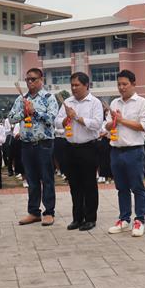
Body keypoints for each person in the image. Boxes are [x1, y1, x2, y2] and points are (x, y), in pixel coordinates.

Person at [106, 70, 145, 237]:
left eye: (125, 84)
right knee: (122, 188)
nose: (121, 87)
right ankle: (124, 219)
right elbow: (106, 127)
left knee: (137, 187)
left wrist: (121, 121)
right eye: (119, 84)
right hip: (116, 150)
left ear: (134, 84)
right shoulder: (114, 103)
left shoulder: (142, 103)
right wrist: (112, 122)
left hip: (134, 150)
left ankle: (139, 220)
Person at [9, 68, 59, 226]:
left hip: (44, 143)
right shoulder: (21, 99)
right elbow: (11, 118)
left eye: (33, 79)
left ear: (41, 79)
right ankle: (33, 212)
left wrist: (34, 112)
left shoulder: (48, 98)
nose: (30, 82)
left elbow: (52, 119)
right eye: (28, 79)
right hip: (26, 144)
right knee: (31, 179)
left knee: (47, 178)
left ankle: (49, 212)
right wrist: (24, 113)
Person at [55, 72, 103, 231]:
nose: (74, 88)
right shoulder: (67, 102)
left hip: (88, 147)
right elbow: (57, 122)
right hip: (70, 148)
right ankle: (77, 217)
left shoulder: (94, 102)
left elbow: (96, 124)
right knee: (74, 185)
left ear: (86, 85)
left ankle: (90, 218)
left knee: (89, 184)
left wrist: (76, 117)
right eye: (72, 85)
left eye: (77, 85)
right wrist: (65, 119)